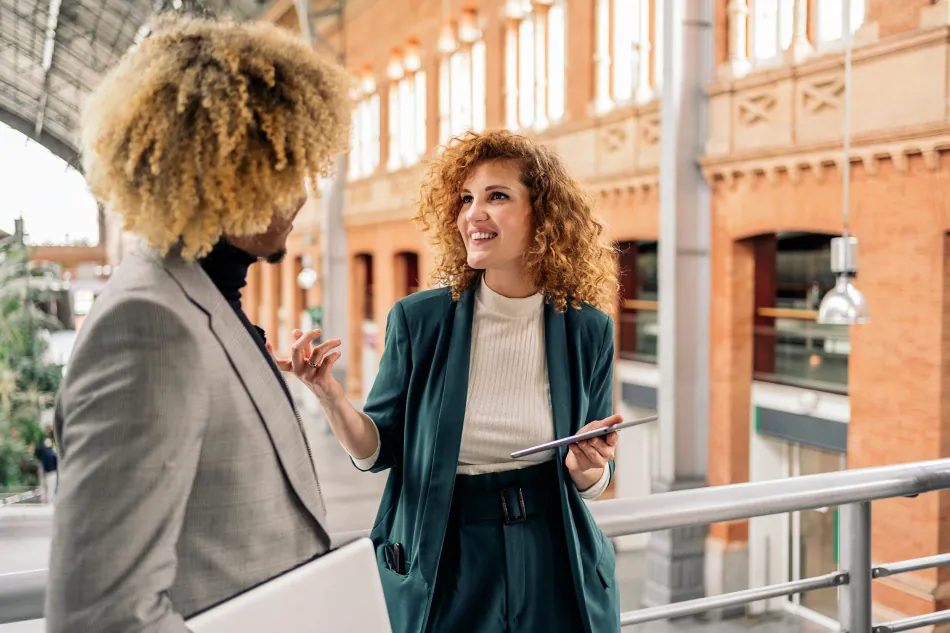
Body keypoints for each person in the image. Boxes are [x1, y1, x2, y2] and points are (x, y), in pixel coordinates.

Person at [46, 14, 351, 633]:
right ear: (225, 171)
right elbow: (102, 616)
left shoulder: (203, 300)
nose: (301, 195)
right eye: (284, 167)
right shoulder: (150, 326)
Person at [281, 130, 622, 633]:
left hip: (553, 550)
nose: (473, 214)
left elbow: (593, 480)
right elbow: (378, 451)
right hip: (448, 549)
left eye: (497, 197)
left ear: (543, 216)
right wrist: (330, 397)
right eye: (466, 199)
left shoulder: (587, 328)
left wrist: (587, 468)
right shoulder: (420, 322)